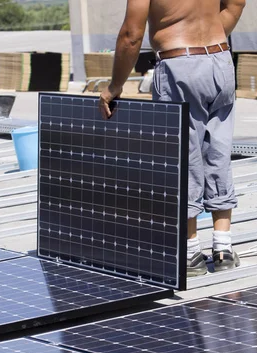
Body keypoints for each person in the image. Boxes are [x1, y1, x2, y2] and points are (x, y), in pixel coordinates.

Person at [99, 0, 246, 277]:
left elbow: (131, 35)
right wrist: (207, 37)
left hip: (179, 63)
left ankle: (191, 253)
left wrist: (114, 86)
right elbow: (237, 2)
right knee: (218, 150)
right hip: (220, 59)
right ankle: (223, 247)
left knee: (182, 156)